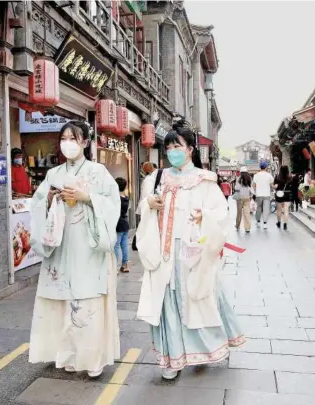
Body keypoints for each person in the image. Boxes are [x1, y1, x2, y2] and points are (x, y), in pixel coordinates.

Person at [135, 122, 244, 380]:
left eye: (178, 146)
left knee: (198, 299)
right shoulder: (157, 178)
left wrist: (202, 218)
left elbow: (220, 214)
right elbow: (143, 206)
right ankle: (172, 359)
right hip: (163, 252)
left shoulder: (205, 181)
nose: (172, 151)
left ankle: (205, 350)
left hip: (192, 251)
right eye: (169, 147)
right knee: (167, 304)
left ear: (190, 149)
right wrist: (149, 203)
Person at [28, 122, 120, 378]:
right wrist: (48, 199)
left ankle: (92, 359)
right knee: (62, 301)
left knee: (87, 300)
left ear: (85, 142)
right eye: (64, 138)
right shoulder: (53, 173)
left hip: (87, 246)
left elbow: (114, 204)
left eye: (74, 138)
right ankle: (67, 355)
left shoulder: (98, 172)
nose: (68, 143)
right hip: (61, 243)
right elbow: (37, 203)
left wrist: (87, 197)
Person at [252, 161, 274, 229]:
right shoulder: (269, 175)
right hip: (266, 194)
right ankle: (265, 223)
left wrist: (255, 192)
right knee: (266, 209)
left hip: (259, 194)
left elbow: (254, 186)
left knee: (258, 208)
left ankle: (258, 222)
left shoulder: (256, 175)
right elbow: (271, 185)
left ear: (260, 167)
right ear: (266, 167)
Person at [115, 177, 130, 273]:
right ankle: (125, 265)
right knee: (124, 245)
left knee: (116, 246)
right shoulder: (126, 198)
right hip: (125, 223)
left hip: (118, 224)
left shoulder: (117, 199)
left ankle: (116, 266)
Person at [273, 165, 292, 230]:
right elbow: (291, 187)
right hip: (287, 194)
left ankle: (279, 223)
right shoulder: (290, 177)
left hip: (279, 194)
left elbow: (275, 186)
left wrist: (276, 186)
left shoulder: (277, 177)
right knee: (286, 210)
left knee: (279, 210)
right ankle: (285, 225)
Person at [234, 168, 253, 233]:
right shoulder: (249, 178)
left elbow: (237, 188)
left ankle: (237, 226)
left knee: (239, 213)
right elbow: (251, 188)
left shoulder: (238, 179)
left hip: (240, 197)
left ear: (241, 172)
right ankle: (247, 228)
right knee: (247, 213)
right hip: (247, 197)